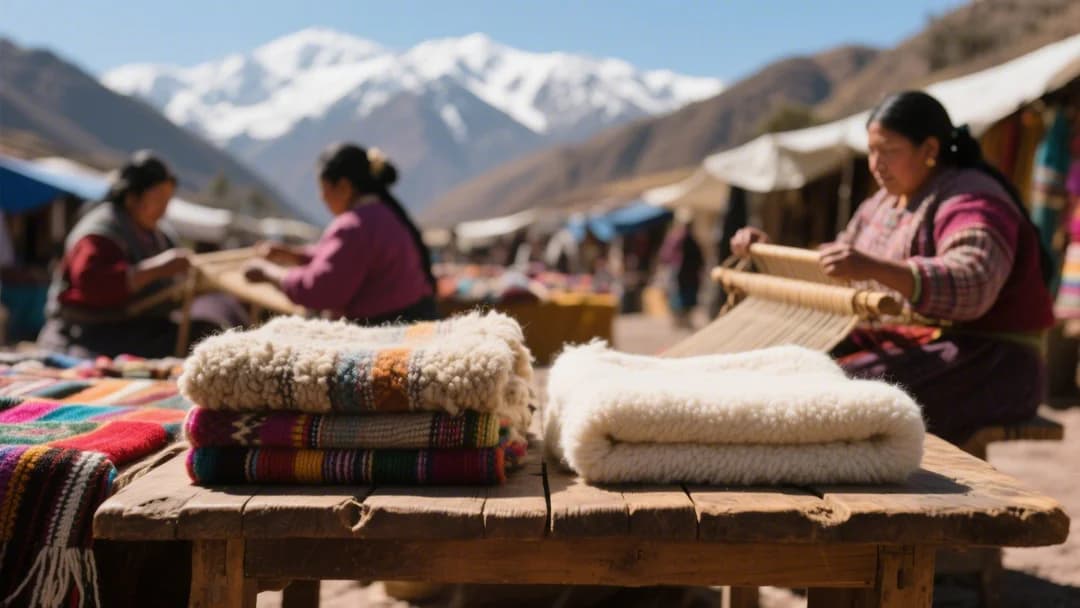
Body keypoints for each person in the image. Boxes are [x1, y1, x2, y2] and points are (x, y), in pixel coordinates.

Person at [731, 90, 1055, 444]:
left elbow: (971, 283)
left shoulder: (974, 200)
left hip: (991, 362)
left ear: (930, 150)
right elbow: (835, 268)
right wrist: (767, 253)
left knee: (833, 391)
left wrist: (873, 267)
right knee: (780, 364)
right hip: (912, 345)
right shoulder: (881, 204)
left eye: (889, 151)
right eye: (871, 151)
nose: (876, 163)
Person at [37, 151, 218, 358]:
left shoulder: (160, 235)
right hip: (87, 332)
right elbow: (93, 287)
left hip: (134, 327)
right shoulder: (100, 233)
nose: (163, 210)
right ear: (132, 198)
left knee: (204, 334)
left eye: (167, 200)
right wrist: (155, 269)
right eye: (158, 199)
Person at [244, 143, 437, 325]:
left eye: (323, 188)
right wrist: (293, 255)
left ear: (344, 187)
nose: (321, 197)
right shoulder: (387, 214)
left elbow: (321, 291)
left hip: (386, 330)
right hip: (414, 318)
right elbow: (344, 259)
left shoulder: (353, 226)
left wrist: (268, 272)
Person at [660, 210, 705, 328]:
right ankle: (679, 320)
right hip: (678, 274)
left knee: (687, 298)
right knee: (677, 298)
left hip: (688, 275)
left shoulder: (691, 240)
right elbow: (666, 256)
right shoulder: (675, 239)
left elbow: (698, 259)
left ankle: (684, 320)